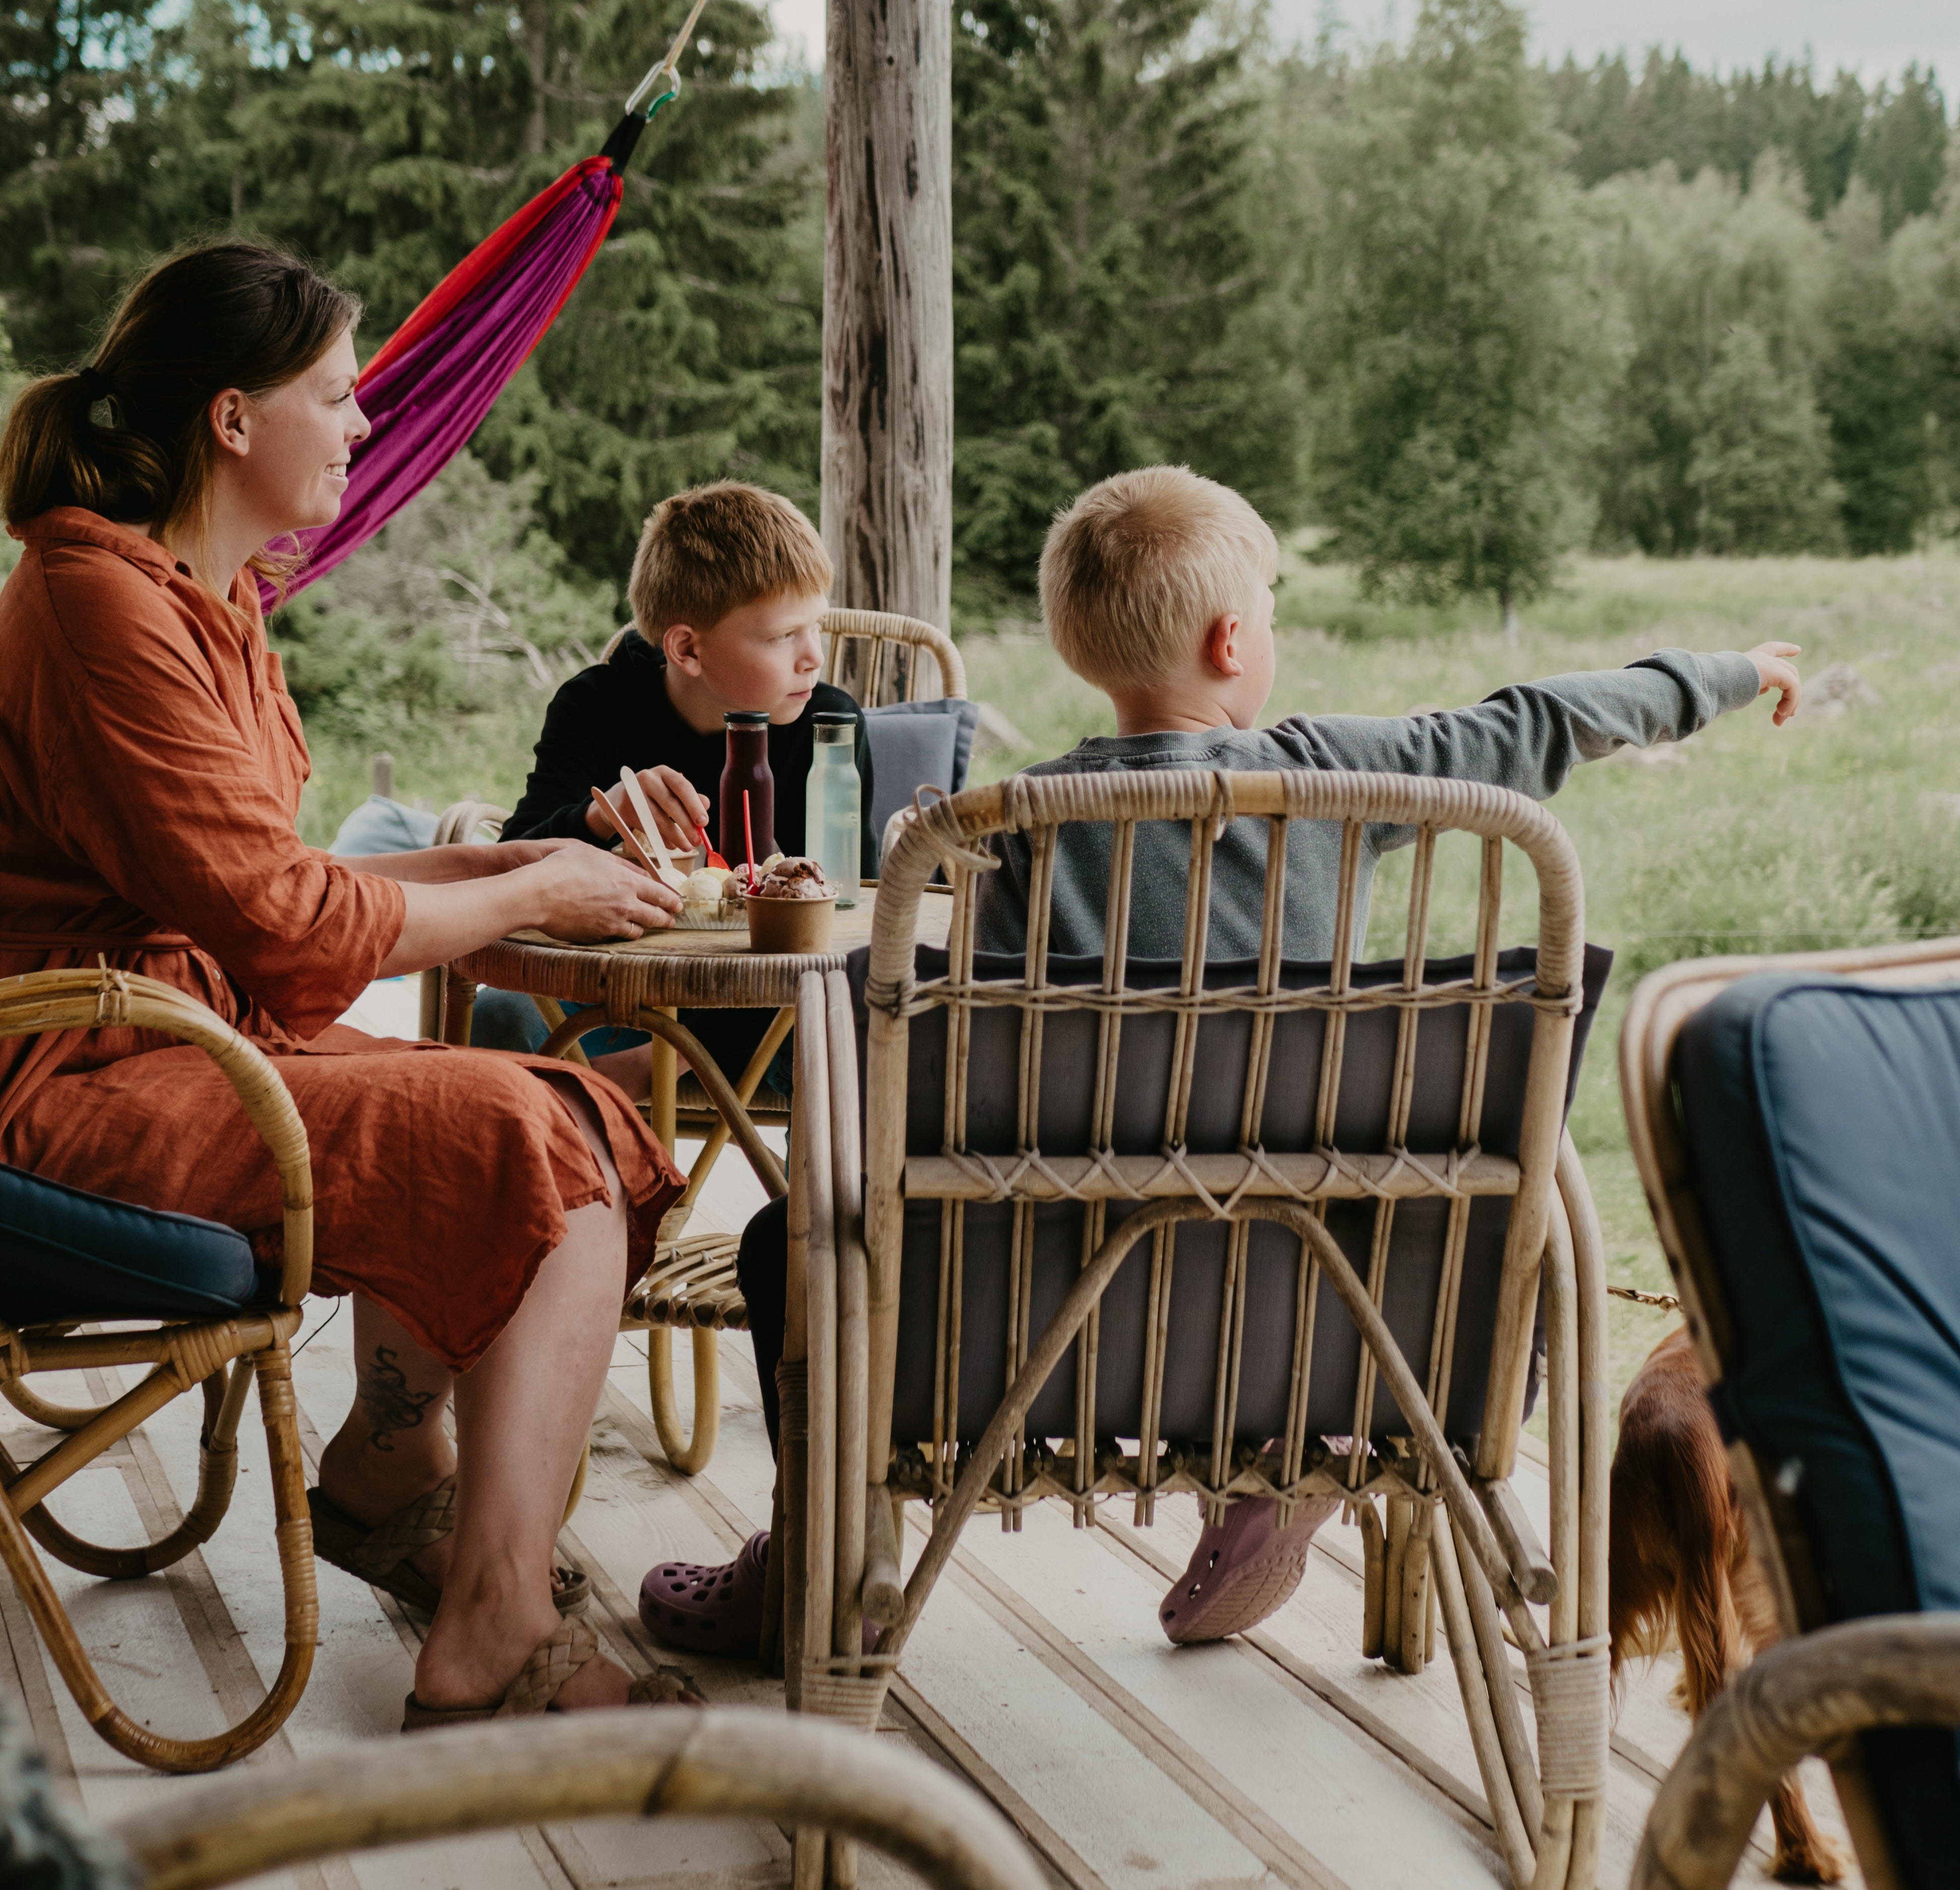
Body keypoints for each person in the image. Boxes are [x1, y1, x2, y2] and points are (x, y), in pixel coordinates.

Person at [642, 463, 1804, 1661]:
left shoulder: (1004, 826)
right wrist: (1731, 673)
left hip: (1050, 1347)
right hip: (1349, 1331)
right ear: (1232, 637)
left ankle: (804, 1560)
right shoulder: (1348, 779)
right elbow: (1540, 718)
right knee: (1362, 1209)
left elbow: (957, 1088)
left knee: (789, 1238)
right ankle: (1287, 1456)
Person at [0, 239, 698, 1726]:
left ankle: (398, 1482)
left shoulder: (207, 602)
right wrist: (531, 888)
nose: (369, 423)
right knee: (525, 1134)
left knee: (570, 1107)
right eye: (339, 392)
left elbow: (274, 885)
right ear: (234, 419)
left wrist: (547, 858)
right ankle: (485, 1613)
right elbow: (286, 919)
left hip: (196, 1036)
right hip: (70, 1078)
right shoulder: (95, 604)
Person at [473, 481, 874, 1099]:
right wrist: (601, 818)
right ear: (687, 648)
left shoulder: (829, 732)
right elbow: (510, 857)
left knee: (848, 1029)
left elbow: (854, 916)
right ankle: (543, 1188)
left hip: (773, 1019)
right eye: (781, 637)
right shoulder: (597, 706)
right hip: (609, 999)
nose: (814, 657)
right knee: (496, 1015)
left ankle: (809, 1201)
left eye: (815, 627)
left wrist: (666, 1061)